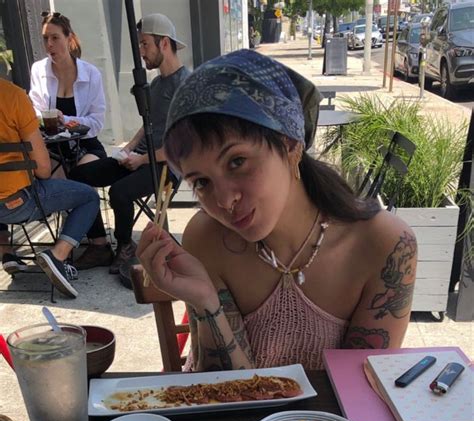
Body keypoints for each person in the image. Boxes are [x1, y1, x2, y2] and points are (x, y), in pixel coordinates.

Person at [137, 49, 418, 372]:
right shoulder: (206, 237)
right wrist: (205, 303)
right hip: (238, 419)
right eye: (201, 182)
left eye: (237, 162)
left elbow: (362, 393)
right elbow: (225, 395)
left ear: (291, 145)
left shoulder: (385, 245)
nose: (224, 201)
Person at [69, 13, 190, 283]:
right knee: (79, 177)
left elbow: (184, 147)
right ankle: (99, 244)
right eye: (139, 45)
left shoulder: (186, 86)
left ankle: (125, 245)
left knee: (119, 192)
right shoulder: (157, 84)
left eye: (145, 44)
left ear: (165, 44)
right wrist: (129, 149)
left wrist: (143, 159)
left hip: (166, 167)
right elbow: (149, 124)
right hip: (143, 158)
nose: (141, 52)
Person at [0, 78, 100, 298]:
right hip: (17, 202)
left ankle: (6, 253)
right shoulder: (13, 96)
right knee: (89, 197)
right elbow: (44, 170)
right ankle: (57, 255)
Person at [27, 11, 109, 271]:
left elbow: (97, 122)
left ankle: (99, 245)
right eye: (45, 39)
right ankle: (70, 240)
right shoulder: (38, 70)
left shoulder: (91, 74)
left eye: (55, 38)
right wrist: (48, 120)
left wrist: (67, 120)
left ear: (69, 38)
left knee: (81, 177)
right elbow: (33, 113)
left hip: (86, 143)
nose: (49, 45)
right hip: (52, 145)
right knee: (61, 186)